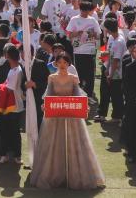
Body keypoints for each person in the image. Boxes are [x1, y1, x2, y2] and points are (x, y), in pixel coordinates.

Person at [27, 53, 105, 189]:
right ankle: (53, 175)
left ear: (69, 64)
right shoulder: (52, 77)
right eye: (60, 62)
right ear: (56, 64)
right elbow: (49, 93)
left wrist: (83, 105)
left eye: (65, 62)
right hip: (55, 116)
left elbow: (77, 94)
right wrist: (46, 104)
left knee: (75, 143)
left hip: (72, 115)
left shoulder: (74, 78)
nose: (62, 65)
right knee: (53, 144)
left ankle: (76, 176)